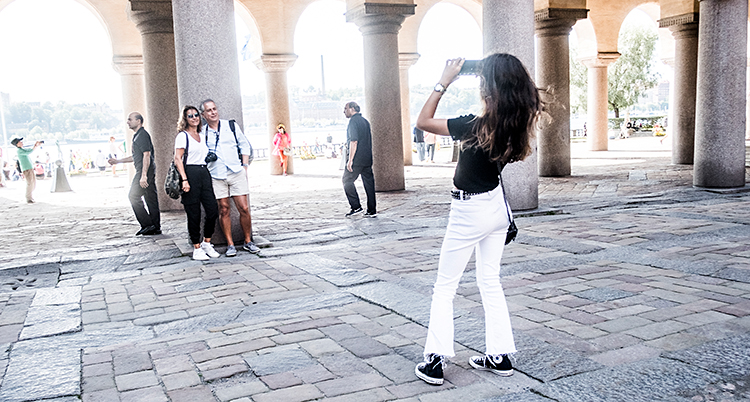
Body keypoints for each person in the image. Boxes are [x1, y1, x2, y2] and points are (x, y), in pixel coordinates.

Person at [413, 54, 544, 385]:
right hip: (496, 212)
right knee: (490, 281)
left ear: (491, 87)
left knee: (445, 286)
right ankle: (499, 356)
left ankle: (435, 360)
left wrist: (444, 81)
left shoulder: (476, 126)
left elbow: (423, 121)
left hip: (468, 211)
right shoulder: (512, 126)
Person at [200, 99, 260, 257]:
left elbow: (244, 145)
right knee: (224, 209)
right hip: (216, 174)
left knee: (244, 208)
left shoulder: (231, 126)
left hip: (236, 171)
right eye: (209, 110)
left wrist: (245, 166)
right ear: (203, 114)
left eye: (214, 109)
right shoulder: (202, 132)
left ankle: (248, 241)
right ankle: (230, 244)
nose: (213, 112)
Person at [173, 105, 221, 261]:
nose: (194, 118)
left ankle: (207, 242)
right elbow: (177, 158)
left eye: (196, 115)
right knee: (194, 214)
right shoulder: (183, 136)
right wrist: (184, 179)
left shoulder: (201, 134)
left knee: (212, 209)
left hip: (204, 172)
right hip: (190, 173)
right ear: (185, 119)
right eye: (190, 116)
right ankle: (197, 247)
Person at [109, 112, 161, 236]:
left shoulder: (142, 135)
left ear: (138, 121)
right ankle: (154, 227)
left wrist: (143, 175)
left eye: (130, 119)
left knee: (133, 196)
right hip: (144, 171)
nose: (128, 122)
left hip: (145, 172)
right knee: (150, 199)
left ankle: (148, 225)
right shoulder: (137, 136)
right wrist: (118, 161)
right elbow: (136, 156)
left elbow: (147, 155)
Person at [342, 101, 376, 218]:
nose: (344, 111)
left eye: (345, 109)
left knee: (346, 180)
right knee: (369, 183)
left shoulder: (353, 122)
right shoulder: (365, 121)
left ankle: (356, 206)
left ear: (352, 109)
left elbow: (354, 141)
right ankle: (372, 210)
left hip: (357, 158)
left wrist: (350, 160)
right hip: (367, 158)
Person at [11, 137, 42, 203]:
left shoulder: (21, 149)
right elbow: (30, 151)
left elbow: (30, 150)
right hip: (26, 169)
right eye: (20, 142)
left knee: (33, 183)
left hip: (29, 168)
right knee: (30, 183)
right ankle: (28, 198)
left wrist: (35, 146)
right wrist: (35, 146)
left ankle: (30, 197)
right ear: (17, 144)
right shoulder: (19, 151)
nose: (22, 142)